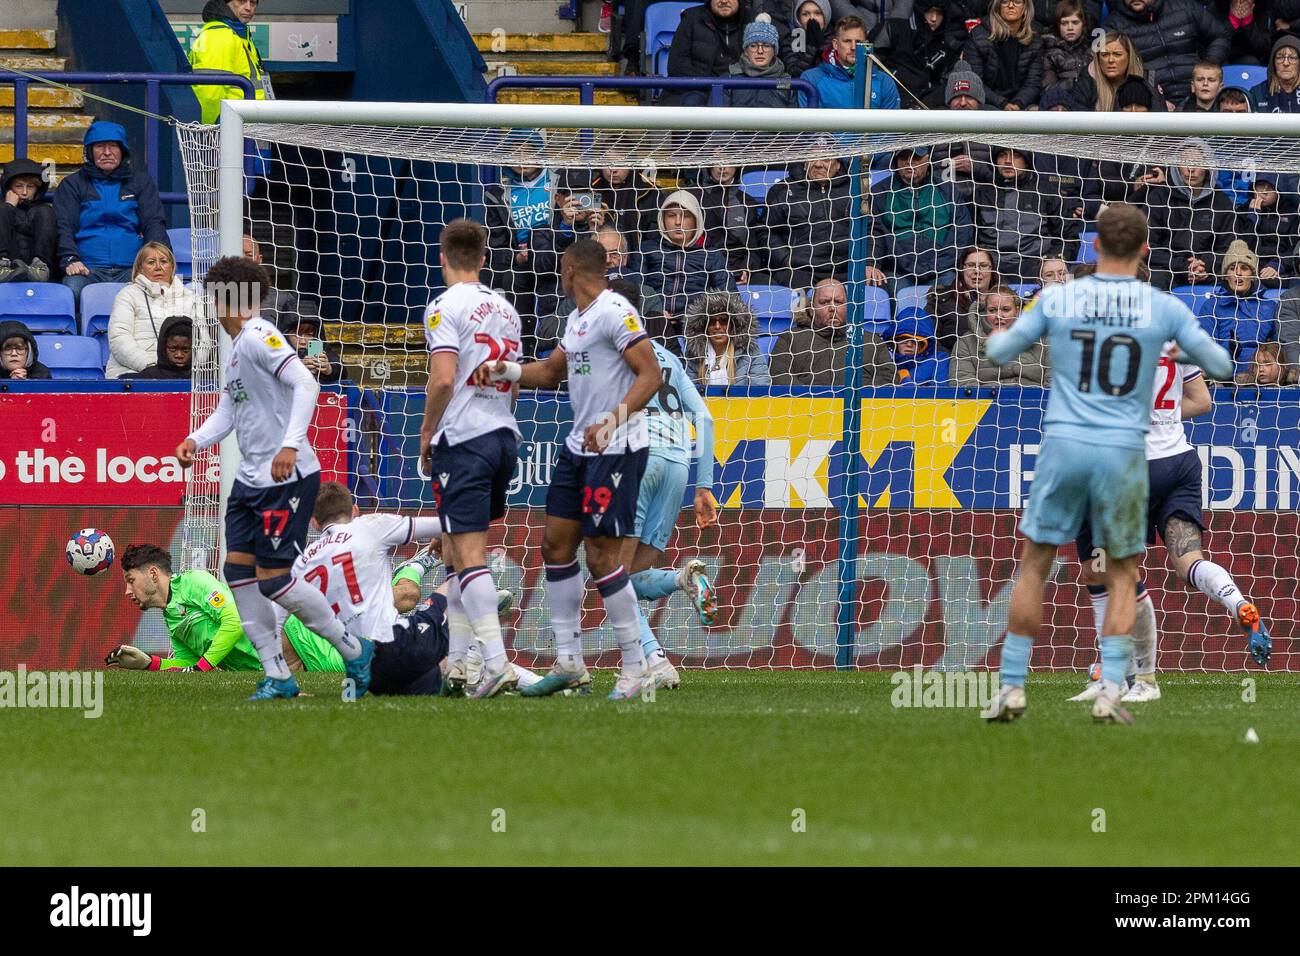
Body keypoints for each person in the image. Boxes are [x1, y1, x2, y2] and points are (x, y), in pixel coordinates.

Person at [981, 203, 1236, 725]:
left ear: (1092, 247)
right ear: (1145, 249)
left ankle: (1011, 687)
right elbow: (1222, 366)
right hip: (1123, 453)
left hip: (1066, 445)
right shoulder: (1164, 310)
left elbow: (1000, 351)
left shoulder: (1061, 297)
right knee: (1123, 574)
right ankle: (1112, 689)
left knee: (1036, 566)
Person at [175, 255, 374, 702]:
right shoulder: (236, 351)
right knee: (238, 571)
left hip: (287, 473)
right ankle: (278, 675)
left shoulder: (260, 335)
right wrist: (194, 440)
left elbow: (308, 383)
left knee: (275, 578)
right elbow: (230, 410)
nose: (211, 304)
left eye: (214, 296)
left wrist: (290, 444)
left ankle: (354, 650)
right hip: (251, 478)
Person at [476, 240, 662, 701]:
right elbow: (552, 371)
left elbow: (651, 373)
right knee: (555, 544)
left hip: (616, 449)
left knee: (601, 557)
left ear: (572, 268)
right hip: (579, 448)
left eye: (562, 267)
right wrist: (508, 371)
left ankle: (637, 667)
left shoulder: (616, 310)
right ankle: (569, 661)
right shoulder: (577, 320)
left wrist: (615, 418)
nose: (559, 273)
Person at [1069, 335, 1273, 704]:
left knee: (1116, 574)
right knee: (1188, 561)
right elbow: (1203, 401)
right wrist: (1159, 416)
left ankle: (1136, 677)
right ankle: (1238, 602)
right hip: (1179, 461)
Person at [417, 219, 525, 699]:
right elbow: (515, 378)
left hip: (463, 439)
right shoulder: (506, 309)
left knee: (469, 552)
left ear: (442, 257)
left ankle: (496, 663)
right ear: (483, 258)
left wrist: (426, 431)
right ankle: (458, 665)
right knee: (456, 550)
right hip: (503, 434)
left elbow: (442, 379)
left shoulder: (443, 306)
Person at [607, 277, 719, 691]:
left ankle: (654, 659)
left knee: (610, 575)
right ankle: (682, 579)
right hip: (676, 462)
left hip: (637, 456)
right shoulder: (668, 358)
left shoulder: (613, 351)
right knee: (631, 576)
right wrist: (703, 485)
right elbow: (704, 418)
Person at [54, 122, 169, 302]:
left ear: (122, 150)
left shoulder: (140, 182)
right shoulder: (72, 184)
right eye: (100, 146)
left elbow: (154, 223)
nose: (107, 152)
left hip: (132, 269)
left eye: (113, 146)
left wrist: (158, 262)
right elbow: (63, 227)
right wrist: (70, 259)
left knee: (159, 294)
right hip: (87, 269)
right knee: (71, 291)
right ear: (90, 152)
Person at [107, 544, 260, 672]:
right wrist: (148, 663)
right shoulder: (170, 617)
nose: (127, 591)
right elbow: (189, 663)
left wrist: (201, 668)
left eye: (131, 580)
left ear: (153, 574)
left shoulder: (195, 582)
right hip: (262, 673)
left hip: (281, 652)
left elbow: (234, 621)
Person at [639, 190, 735, 347]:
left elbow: (729, 297)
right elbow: (635, 288)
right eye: (671, 215)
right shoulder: (647, 249)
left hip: (698, 328)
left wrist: (697, 316)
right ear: (662, 219)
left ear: (697, 220)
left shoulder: (711, 255)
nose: (678, 222)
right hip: (652, 325)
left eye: (685, 216)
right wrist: (654, 311)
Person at [869, 146, 973, 289]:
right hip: (898, 271)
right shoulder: (879, 192)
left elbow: (962, 232)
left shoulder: (947, 190)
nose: (909, 163)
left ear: (927, 158)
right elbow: (876, 233)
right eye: (903, 158)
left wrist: (937, 265)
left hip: (941, 271)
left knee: (951, 295)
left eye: (915, 158)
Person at [1145, 139, 1240, 289]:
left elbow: (1229, 247)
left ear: (1208, 167)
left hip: (1208, 272)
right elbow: (1148, 246)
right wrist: (1185, 266)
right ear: (1176, 166)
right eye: (1185, 162)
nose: (1191, 169)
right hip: (1168, 271)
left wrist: (1204, 266)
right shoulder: (1159, 197)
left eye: (1197, 162)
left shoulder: (1221, 202)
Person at [768, 277, 896, 386]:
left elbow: (888, 377)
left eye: (838, 302)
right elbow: (779, 376)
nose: (832, 308)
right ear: (811, 309)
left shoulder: (871, 341)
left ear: (848, 308)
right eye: (824, 302)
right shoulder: (790, 339)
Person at [762, 154, 862, 290]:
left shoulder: (856, 189)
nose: (818, 164)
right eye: (813, 158)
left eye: (826, 159)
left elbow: (871, 228)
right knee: (794, 302)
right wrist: (785, 259)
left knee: (875, 288)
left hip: (848, 269)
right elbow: (767, 231)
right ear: (804, 162)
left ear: (838, 164)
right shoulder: (783, 190)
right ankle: (800, 310)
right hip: (801, 271)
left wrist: (868, 263)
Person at [1103, 0, 1229, 107]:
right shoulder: (1113, 25)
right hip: (1150, 101)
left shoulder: (1186, 8)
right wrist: (1154, 100)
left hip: (1198, 92)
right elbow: (1106, 65)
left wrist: (1209, 67)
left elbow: (1220, 36)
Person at [972, 145, 1064, 283]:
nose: (1008, 161)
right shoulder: (981, 193)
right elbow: (970, 238)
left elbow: (1065, 236)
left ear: (1027, 161)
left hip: (1035, 266)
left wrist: (1052, 260)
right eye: (1002, 155)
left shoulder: (1046, 191)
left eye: (1015, 155)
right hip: (991, 268)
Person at [105, 241, 197, 379]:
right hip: (135, 371)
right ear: (140, 268)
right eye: (151, 262)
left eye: (164, 261)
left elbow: (204, 341)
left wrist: (182, 367)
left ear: (172, 267)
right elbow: (119, 337)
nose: (158, 267)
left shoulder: (191, 297)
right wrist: (151, 365)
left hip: (183, 373)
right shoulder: (127, 294)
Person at [1193, 240, 1278, 378]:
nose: (1238, 273)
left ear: (1252, 274)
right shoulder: (1212, 306)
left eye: (1244, 268)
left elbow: (1278, 351)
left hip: (1261, 379)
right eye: (1232, 268)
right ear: (1226, 275)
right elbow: (1204, 346)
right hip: (1222, 377)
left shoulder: (1269, 307)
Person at [188, 0, 270, 125]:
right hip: (228, 131)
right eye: (241, 1)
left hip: (240, 127)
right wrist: (208, 132)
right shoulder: (219, 36)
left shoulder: (237, 34)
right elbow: (209, 94)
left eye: (253, 3)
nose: (249, 8)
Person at [951, 284, 1050, 385]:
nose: (998, 316)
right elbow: (962, 383)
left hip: (1035, 398)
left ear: (1017, 310)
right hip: (988, 399)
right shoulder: (966, 342)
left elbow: (1055, 378)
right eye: (992, 310)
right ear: (985, 311)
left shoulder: (1043, 337)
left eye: (1006, 309)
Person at [796, 17, 902, 109]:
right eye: (847, 41)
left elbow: (891, 129)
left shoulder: (884, 81)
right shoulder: (811, 79)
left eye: (858, 42)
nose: (853, 47)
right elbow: (812, 129)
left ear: (866, 44)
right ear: (835, 44)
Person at [960, 0, 1046, 110]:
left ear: (1026, 7)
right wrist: (1003, 104)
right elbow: (975, 82)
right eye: (1005, 2)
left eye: (1017, 2)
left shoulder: (1035, 38)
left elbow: (1033, 82)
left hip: (1023, 104)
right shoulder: (978, 36)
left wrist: (1019, 103)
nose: (1010, 6)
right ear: (997, 6)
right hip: (987, 103)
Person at [683, 290, 773, 386]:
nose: (717, 326)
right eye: (711, 321)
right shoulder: (694, 354)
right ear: (704, 326)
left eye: (724, 321)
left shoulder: (750, 351)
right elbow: (688, 392)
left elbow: (760, 390)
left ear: (733, 325)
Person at [666, 0, 748, 105]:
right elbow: (676, 66)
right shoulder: (691, 18)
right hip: (698, 89)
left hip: (741, 88)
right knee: (692, 102)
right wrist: (712, 84)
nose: (723, 1)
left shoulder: (752, 19)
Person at [1069, 31, 1165, 112]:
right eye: (1105, 54)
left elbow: (1161, 122)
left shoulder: (1148, 80)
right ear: (1098, 59)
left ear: (1129, 57)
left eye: (1117, 54)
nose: (1111, 60)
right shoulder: (1086, 82)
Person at [880, 2, 954, 107]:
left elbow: (944, 85)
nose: (934, 18)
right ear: (921, 11)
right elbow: (873, 64)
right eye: (929, 12)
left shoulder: (947, 44)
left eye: (939, 13)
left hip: (927, 108)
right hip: (891, 101)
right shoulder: (894, 29)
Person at [928, 246, 998, 353]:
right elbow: (931, 341)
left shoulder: (1007, 300)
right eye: (970, 265)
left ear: (992, 270)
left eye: (983, 266)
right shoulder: (941, 300)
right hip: (953, 364)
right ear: (962, 269)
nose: (977, 271)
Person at [0, 158, 56, 283]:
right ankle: (1, 266)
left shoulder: (43, 211)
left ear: (37, 189)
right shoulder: (3, 208)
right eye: (19, 186)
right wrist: (8, 207)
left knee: (45, 211)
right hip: (8, 267)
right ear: (9, 188)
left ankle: (41, 268)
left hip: (34, 269)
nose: (24, 192)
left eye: (30, 187)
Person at [725, 15, 797, 108]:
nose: (760, 51)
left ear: (774, 51)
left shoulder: (787, 82)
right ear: (746, 51)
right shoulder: (728, 80)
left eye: (766, 46)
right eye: (753, 46)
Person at [277, 298, 342, 384]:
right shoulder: (278, 350)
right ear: (286, 333)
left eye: (309, 335)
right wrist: (297, 368)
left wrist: (329, 369)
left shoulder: (316, 346)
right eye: (297, 335)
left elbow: (341, 369)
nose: (303, 341)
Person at [242, 234, 297, 323]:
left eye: (249, 255)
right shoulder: (216, 297)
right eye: (237, 253)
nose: (242, 259)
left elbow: (292, 335)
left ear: (259, 259)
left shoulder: (281, 299)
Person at [888, 310, 951, 385]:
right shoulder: (886, 362)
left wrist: (905, 379)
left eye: (915, 340)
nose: (909, 344)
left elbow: (939, 394)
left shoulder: (938, 360)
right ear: (895, 341)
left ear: (924, 343)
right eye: (904, 339)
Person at [1040, 0, 1091, 94]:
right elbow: (1048, 89)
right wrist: (1076, 82)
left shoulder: (1090, 50)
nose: (1070, 27)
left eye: (1075, 22)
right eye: (1064, 23)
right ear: (1057, 25)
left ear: (1083, 24)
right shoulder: (1048, 52)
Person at [121, 316, 193, 381]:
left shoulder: (201, 378)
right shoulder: (148, 377)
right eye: (173, 349)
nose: (179, 355)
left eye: (185, 350)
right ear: (163, 347)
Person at [1249, 35, 1300, 112]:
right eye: (1280, 57)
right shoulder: (1256, 93)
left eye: (1292, 58)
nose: (1286, 63)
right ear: (1273, 63)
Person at [782, 0, 832, 77]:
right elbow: (794, 73)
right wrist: (811, 46)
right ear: (798, 18)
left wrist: (821, 45)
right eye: (805, 14)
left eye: (817, 13)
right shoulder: (790, 40)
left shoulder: (836, 39)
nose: (812, 18)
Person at [1218, 0, 1273, 66]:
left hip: (1248, 56)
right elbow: (1212, 40)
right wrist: (1233, 20)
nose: (1241, 1)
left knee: (1251, 62)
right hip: (1222, 53)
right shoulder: (1218, 6)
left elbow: (1263, 49)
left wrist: (1248, 22)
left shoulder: (1261, 11)